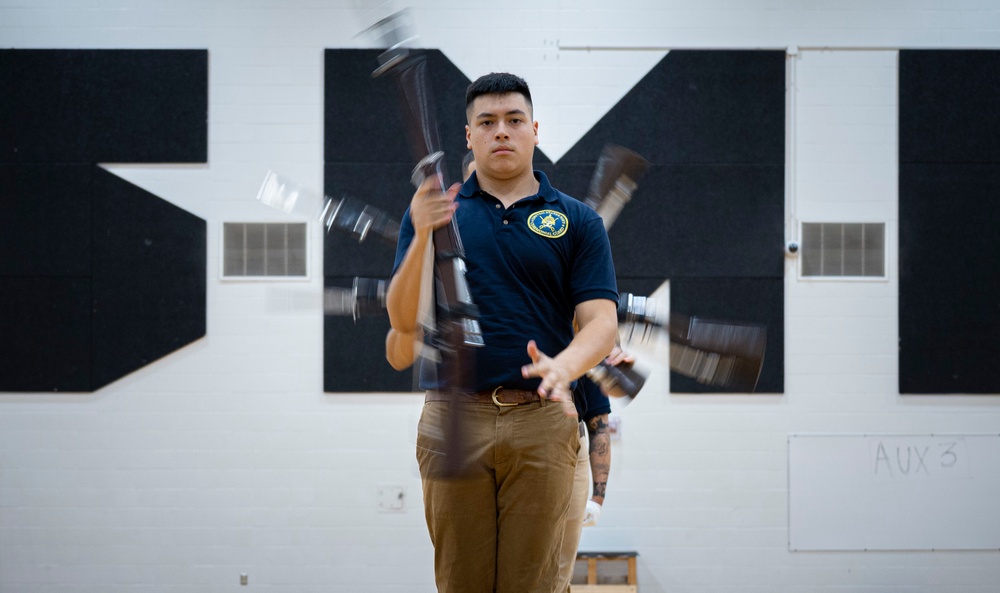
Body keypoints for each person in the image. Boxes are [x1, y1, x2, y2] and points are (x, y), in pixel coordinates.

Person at [385, 72, 619, 593]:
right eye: (486, 123)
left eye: (514, 121)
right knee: (460, 582)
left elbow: (602, 322)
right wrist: (423, 232)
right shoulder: (436, 215)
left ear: (535, 130)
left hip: (542, 421)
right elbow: (402, 321)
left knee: (531, 583)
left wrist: (566, 366)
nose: (502, 132)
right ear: (469, 136)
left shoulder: (577, 221)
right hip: (454, 417)